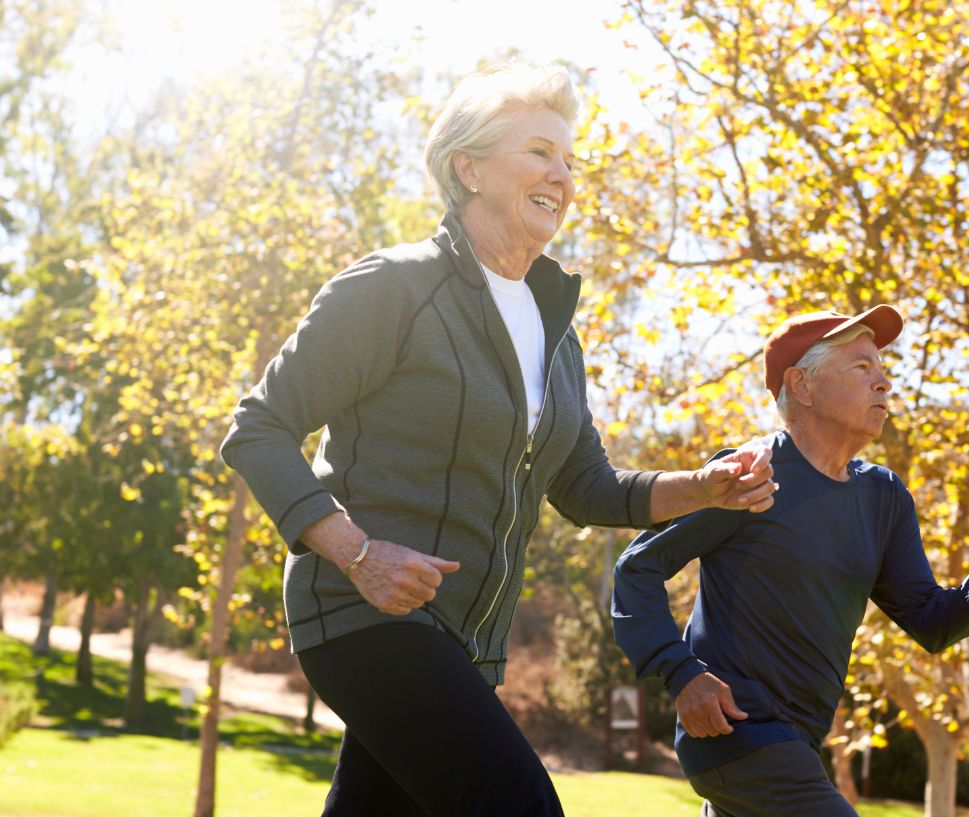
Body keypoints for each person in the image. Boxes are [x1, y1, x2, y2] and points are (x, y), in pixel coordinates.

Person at [220, 62, 775, 817]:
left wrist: (704, 488)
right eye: (540, 152)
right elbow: (259, 427)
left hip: (462, 646)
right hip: (364, 615)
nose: (563, 175)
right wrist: (358, 552)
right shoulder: (394, 288)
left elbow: (587, 487)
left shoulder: (556, 335)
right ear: (469, 167)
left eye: (570, 161)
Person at [611, 307, 969, 817]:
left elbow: (930, 621)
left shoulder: (883, 498)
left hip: (796, 745)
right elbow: (637, 569)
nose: (884, 382)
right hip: (736, 735)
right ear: (802, 385)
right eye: (861, 367)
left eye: (881, 368)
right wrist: (683, 675)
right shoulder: (751, 474)